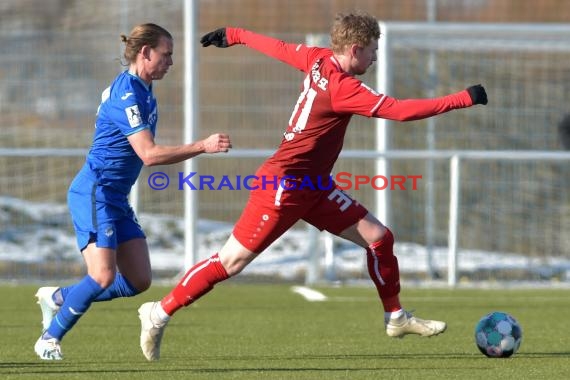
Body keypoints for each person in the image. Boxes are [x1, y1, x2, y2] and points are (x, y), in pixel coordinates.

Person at [137, 11, 488, 361]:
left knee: (379, 238)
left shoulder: (317, 58)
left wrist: (236, 33)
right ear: (354, 50)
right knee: (231, 261)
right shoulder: (343, 88)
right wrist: (463, 98)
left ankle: (396, 317)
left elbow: (277, 47)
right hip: (283, 186)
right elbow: (400, 111)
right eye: (372, 50)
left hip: (315, 186)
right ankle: (159, 311)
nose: (376, 57)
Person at [33, 23, 232, 360]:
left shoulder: (143, 90)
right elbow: (149, 155)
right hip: (95, 191)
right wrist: (202, 145)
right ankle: (50, 338)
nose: (171, 62)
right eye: (166, 55)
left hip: (115, 198)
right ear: (146, 53)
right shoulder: (128, 93)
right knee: (102, 275)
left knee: (139, 281)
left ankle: (59, 298)